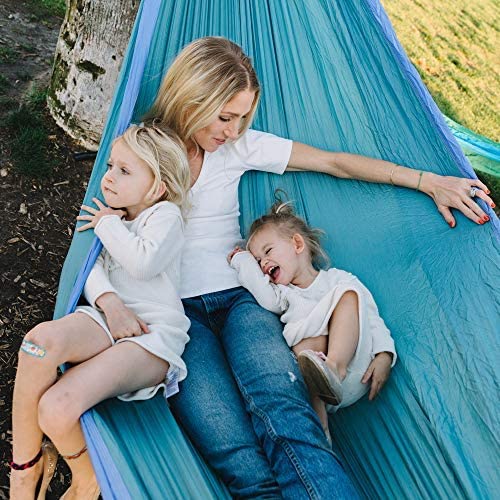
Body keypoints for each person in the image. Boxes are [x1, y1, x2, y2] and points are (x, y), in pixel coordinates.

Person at [101, 37, 492, 498]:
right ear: (192, 98)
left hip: (243, 301)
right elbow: (96, 229)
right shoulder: (139, 151)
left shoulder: (237, 148)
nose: (234, 130)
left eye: (243, 117)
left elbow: (333, 163)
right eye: (225, 117)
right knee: (238, 459)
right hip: (177, 320)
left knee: (287, 416)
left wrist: (428, 182)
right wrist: (108, 303)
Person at [9, 123, 191, 500]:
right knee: (37, 345)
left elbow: (142, 263)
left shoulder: (165, 216)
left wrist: (107, 223)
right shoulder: (112, 215)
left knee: (56, 409)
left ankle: (86, 477)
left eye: (124, 171)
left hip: (150, 336)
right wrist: (110, 302)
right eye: (109, 166)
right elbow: (86, 266)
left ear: (157, 188)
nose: (108, 178)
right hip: (107, 317)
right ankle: (25, 469)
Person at [228, 198, 397, 442]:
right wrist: (241, 260)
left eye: (268, 251)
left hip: (356, 369)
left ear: (297, 244)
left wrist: (384, 355)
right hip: (318, 385)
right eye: (257, 261)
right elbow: (262, 293)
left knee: (349, 296)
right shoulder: (283, 294)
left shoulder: (338, 280)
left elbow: (370, 316)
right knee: (305, 346)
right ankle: (321, 427)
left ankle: (334, 368)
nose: (263, 263)